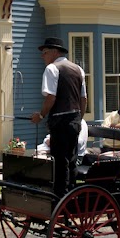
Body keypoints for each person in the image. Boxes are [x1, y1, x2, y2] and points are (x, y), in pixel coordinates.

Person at [30, 37, 86, 197]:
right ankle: (72, 195)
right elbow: (83, 99)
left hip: (60, 121)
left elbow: (51, 98)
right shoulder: (78, 69)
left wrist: (40, 115)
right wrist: (79, 119)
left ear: (55, 52)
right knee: (71, 160)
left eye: (45, 52)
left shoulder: (52, 69)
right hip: (74, 120)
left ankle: (60, 197)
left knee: (60, 162)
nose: (43, 56)